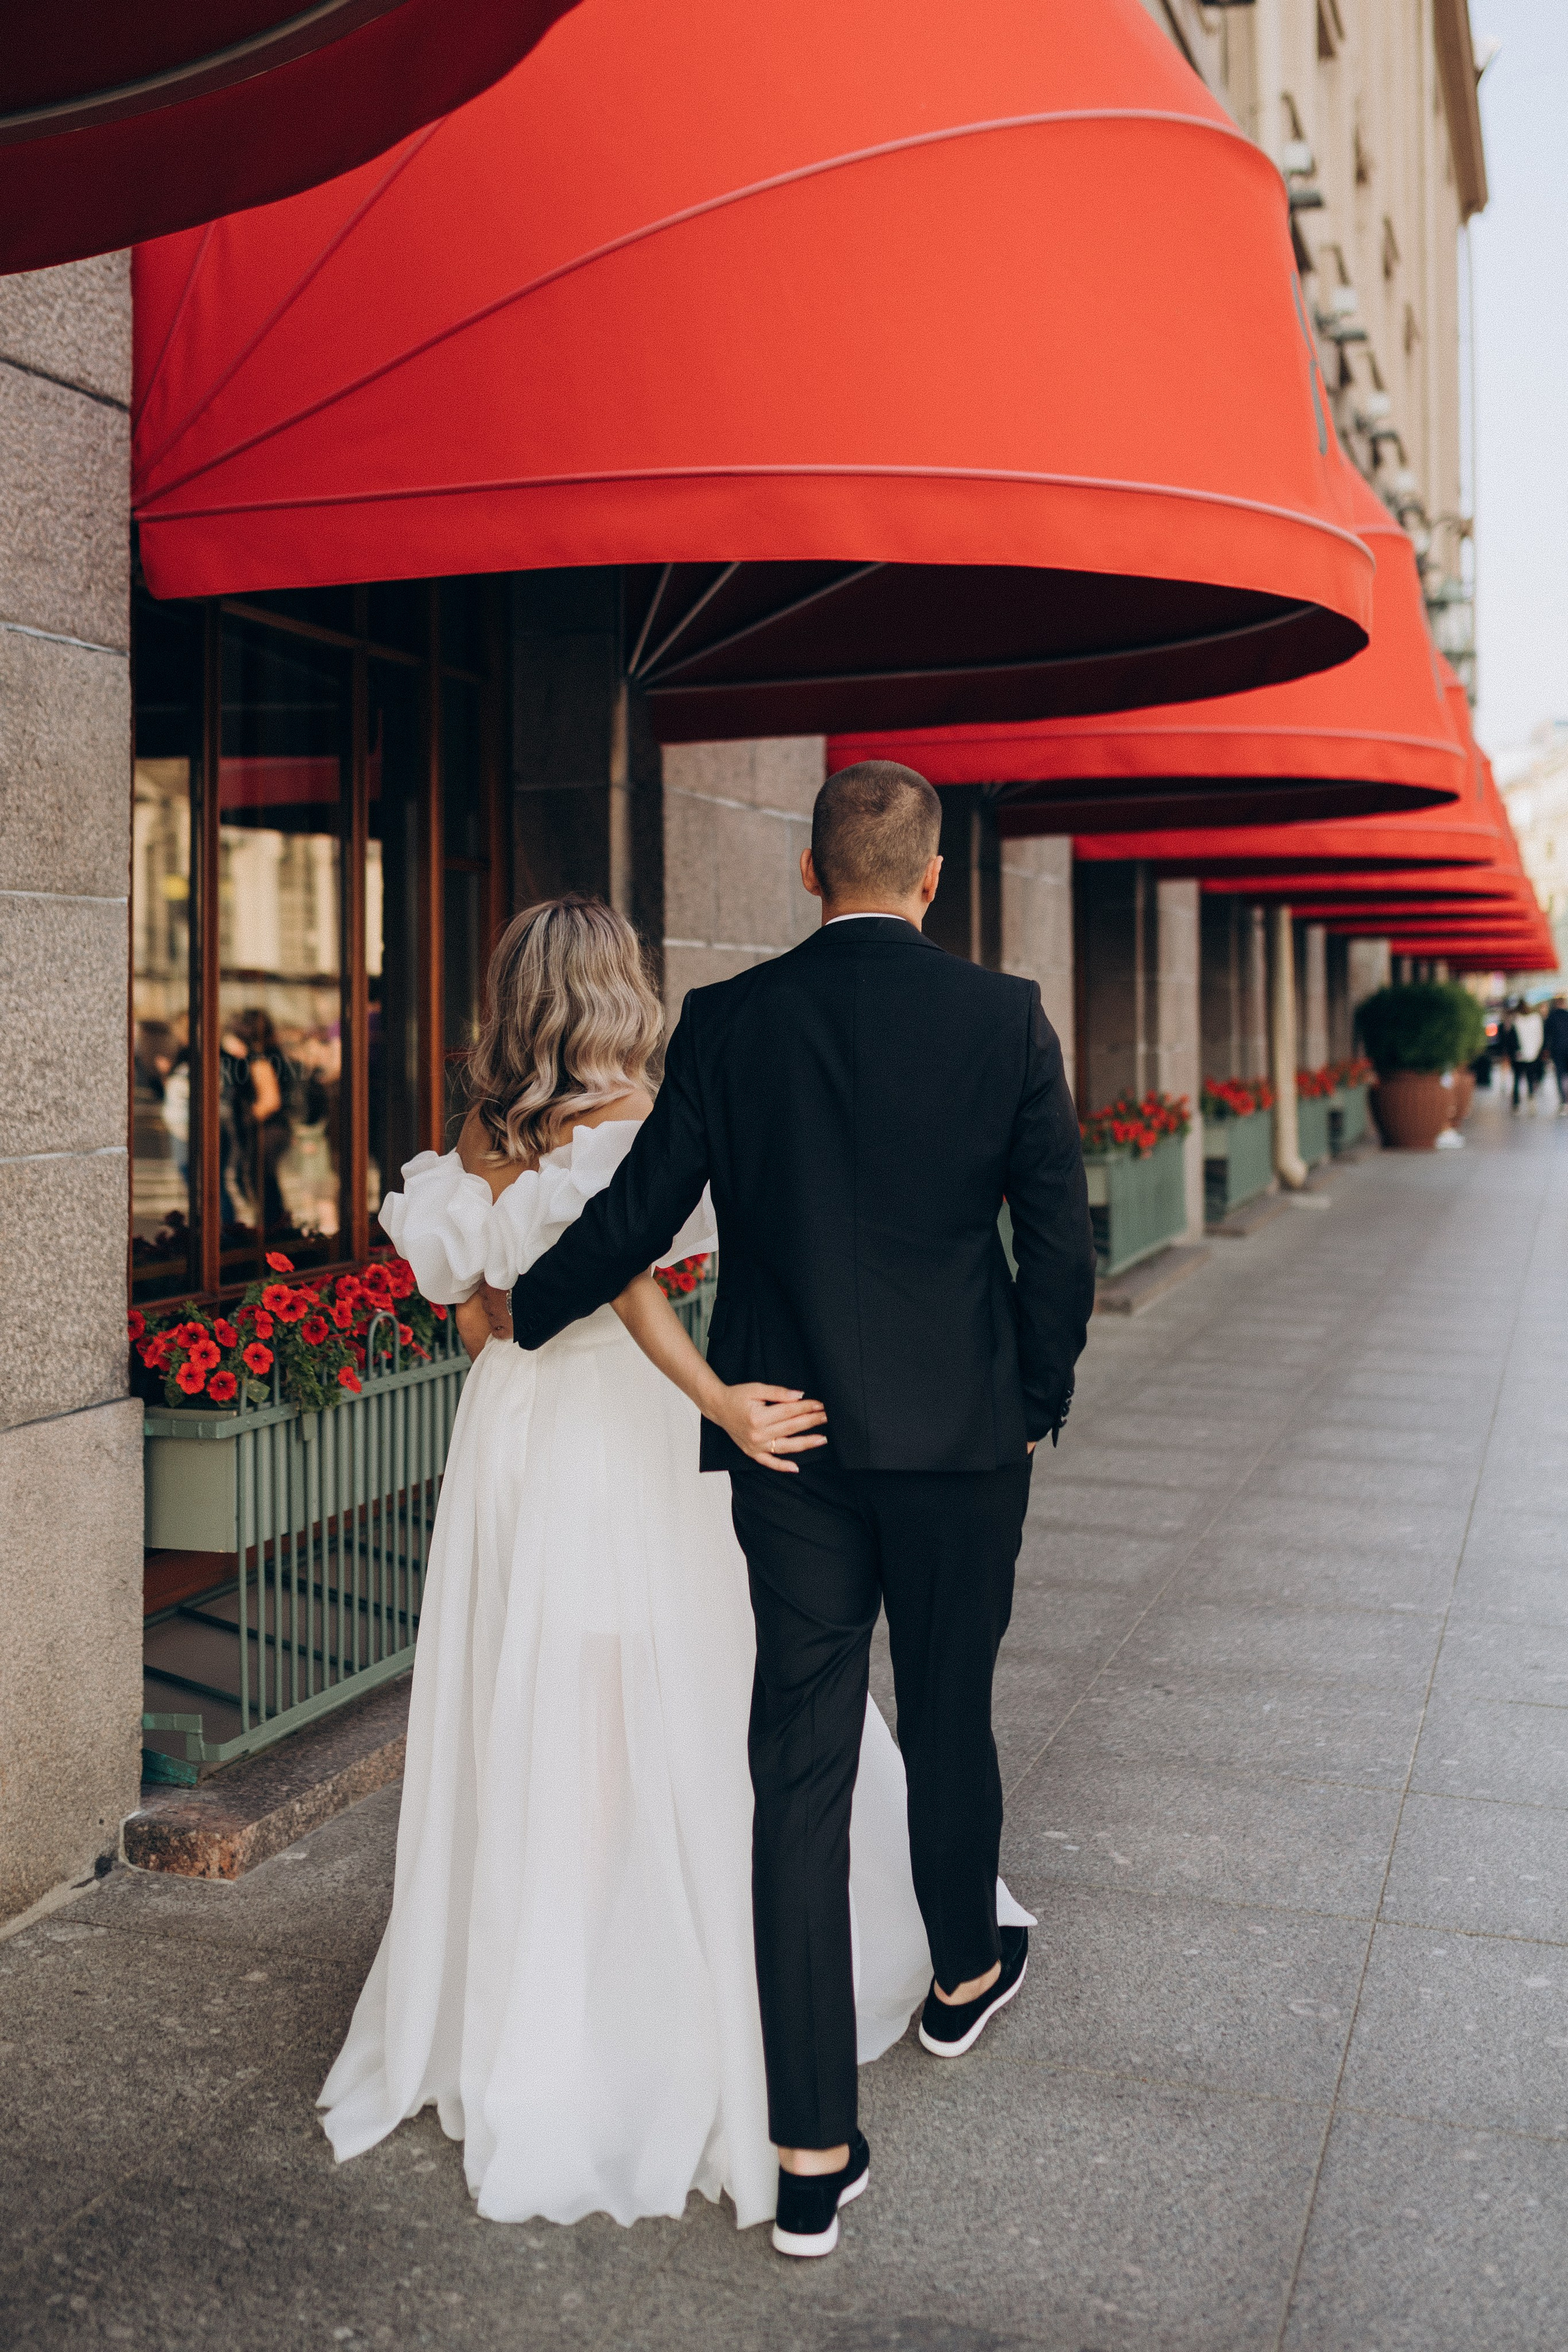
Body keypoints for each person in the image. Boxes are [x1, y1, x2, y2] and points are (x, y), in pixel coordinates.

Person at [318, 894, 1031, 2236]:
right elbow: (630, 1280)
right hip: (620, 1430)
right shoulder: (628, 1124)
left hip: (511, 1443)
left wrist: (516, 1304)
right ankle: (649, 1963)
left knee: (524, 1683)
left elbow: (477, 1326)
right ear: (614, 992)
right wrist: (721, 1400)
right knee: (673, 1682)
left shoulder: (476, 1135)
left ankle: (531, 1959)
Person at [511, 763, 1096, 2258]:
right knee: (951, 1711)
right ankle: (963, 1975)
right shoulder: (1003, 1018)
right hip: (961, 1442)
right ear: (932, 878)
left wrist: (521, 1308)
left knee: (801, 1771)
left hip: (791, 1443)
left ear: (802, 872)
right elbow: (1056, 1236)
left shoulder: (732, 1022)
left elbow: (632, 1218)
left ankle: (806, 2153)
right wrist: (1029, 1401)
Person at [1508, 998, 1545, 1112]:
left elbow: (1511, 1038)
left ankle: (1516, 1104)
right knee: (1530, 1078)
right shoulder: (1536, 1019)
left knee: (1517, 1079)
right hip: (1532, 1054)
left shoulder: (1516, 1020)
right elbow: (1540, 1037)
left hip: (1519, 1055)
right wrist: (1536, 1050)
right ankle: (1531, 1102)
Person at [1544, 994, 1568, 1116]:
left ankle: (1564, 1102)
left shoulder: (1551, 1017)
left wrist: (1545, 1050)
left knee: (1559, 1076)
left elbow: (1547, 1035)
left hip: (1557, 1051)